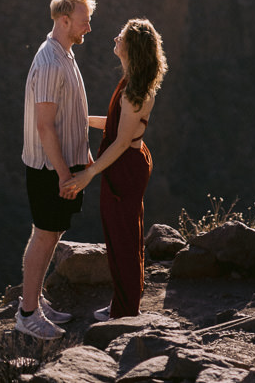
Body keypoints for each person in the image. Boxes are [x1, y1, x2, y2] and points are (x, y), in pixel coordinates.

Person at [60, 18, 167, 319]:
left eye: (121, 37)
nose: (115, 38)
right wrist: (83, 120)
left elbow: (121, 142)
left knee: (123, 238)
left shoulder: (134, 93)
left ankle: (124, 311)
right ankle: (122, 301)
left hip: (125, 168)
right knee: (121, 234)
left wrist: (89, 173)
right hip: (125, 164)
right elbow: (119, 127)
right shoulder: (132, 84)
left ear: (131, 48)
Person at [17, 0, 96, 339]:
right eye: (84, 22)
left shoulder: (64, 53)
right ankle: (28, 313)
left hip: (64, 164)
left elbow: (69, 114)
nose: (88, 29)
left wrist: (84, 156)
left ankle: (34, 299)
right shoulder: (50, 62)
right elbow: (44, 126)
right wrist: (66, 174)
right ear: (64, 21)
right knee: (45, 234)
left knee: (50, 233)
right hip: (51, 168)